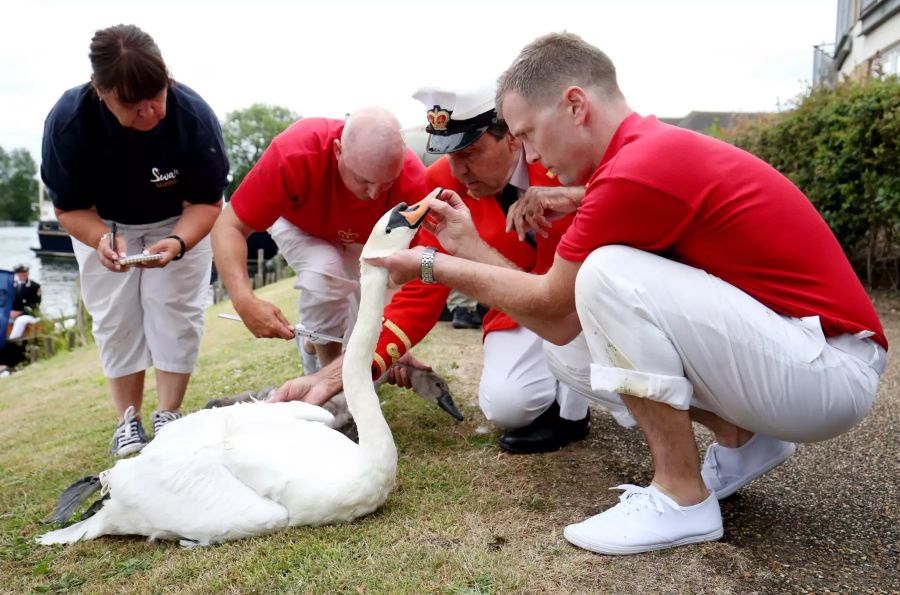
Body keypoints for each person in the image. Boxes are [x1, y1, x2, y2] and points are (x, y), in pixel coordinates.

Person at [371, 32, 887, 555]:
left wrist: (434, 262)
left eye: (527, 133)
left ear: (575, 105)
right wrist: (466, 243)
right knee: (571, 355)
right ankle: (743, 439)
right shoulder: (641, 155)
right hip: (806, 356)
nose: (528, 152)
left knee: (605, 274)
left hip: (829, 369)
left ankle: (680, 498)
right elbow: (563, 327)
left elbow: (553, 308)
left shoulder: (637, 168)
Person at [272, 84, 592, 455]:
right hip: (516, 311)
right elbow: (421, 296)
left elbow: (564, 290)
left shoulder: (563, 163)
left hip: (580, 306)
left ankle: (575, 410)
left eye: (469, 151)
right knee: (508, 405)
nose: (457, 170)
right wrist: (331, 378)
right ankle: (556, 390)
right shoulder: (442, 182)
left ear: (512, 138)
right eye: (448, 153)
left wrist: (579, 196)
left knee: (590, 318)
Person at [41, 24, 228, 456]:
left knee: (175, 309)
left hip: (179, 218)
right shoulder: (69, 122)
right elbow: (69, 208)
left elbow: (207, 201)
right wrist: (100, 239)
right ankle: (129, 420)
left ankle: (168, 414)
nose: (149, 113)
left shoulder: (193, 116)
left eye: (156, 96)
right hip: (103, 223)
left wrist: (179, 243)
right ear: (99, 90)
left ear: (167, 77)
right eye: (131, 103)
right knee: (115, 317)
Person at [211, 109, 428, 373]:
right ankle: (327, 381)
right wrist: (244, 300)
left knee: (365, 328)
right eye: (363, 180)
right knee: (324, 271)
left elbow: (412, 271)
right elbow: (228, 226)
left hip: (364, 235)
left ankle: (314, 343)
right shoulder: (294, 152)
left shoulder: (414, 182)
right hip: (299, 221)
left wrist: (393, 340)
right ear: (338, 150)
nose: (373, 194)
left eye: (387, 183)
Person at [8, 264, 41, 340]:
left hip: (29, 314)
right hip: (13, 313)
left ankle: (12, 341)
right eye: (20, 273)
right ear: (16, 274)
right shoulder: (12, 285)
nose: (23, 275)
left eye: (25, 273)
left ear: (28, 273)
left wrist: (20, 313)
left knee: (20, 321)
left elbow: (35, 305)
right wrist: (9, 311)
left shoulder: (35, 286)